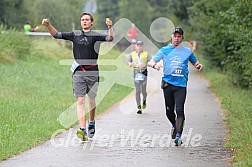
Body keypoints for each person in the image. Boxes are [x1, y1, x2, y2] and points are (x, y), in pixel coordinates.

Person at [42, 12, 114, 141]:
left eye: (87, 20)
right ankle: (82, 129)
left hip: (93, 71)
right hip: (78, 72)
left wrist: (110, 27)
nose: (84, 21)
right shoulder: (75, 34)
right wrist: (48, 25)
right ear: (81, 22)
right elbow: (56, 35)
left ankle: (91, 122)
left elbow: (110, 38)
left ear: (91, 22)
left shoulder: (95, 35)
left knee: (91, 100)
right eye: (82, 20)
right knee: (80, 100)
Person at [148, 27, 203, 146]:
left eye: (179, 37)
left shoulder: (187, 51)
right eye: (175, 36)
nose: (177, 39)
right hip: (168, 84)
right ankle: (174, 125)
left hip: (181, 86)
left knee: (179, 110)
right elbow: (151, 61)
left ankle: (178, 135)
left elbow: (195, 62)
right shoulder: (164, 50)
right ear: (171, 37)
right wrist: (155, 66)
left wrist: (198, 65)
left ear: (182, 38)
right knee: (169, 112)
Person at [128, 41, 152, 114]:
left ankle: (144, 100)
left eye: (140, 46)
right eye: (138, 46)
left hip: (144, 73)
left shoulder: (146, 54)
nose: (139, 47)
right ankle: (138, 107)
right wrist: (130, 64)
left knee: (143, 91)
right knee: (138, 90)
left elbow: (151, 62)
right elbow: (128, 62)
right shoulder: (132, 54)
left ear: (142, 47)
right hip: (136, 73)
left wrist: (145, 64)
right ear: (135, 46)